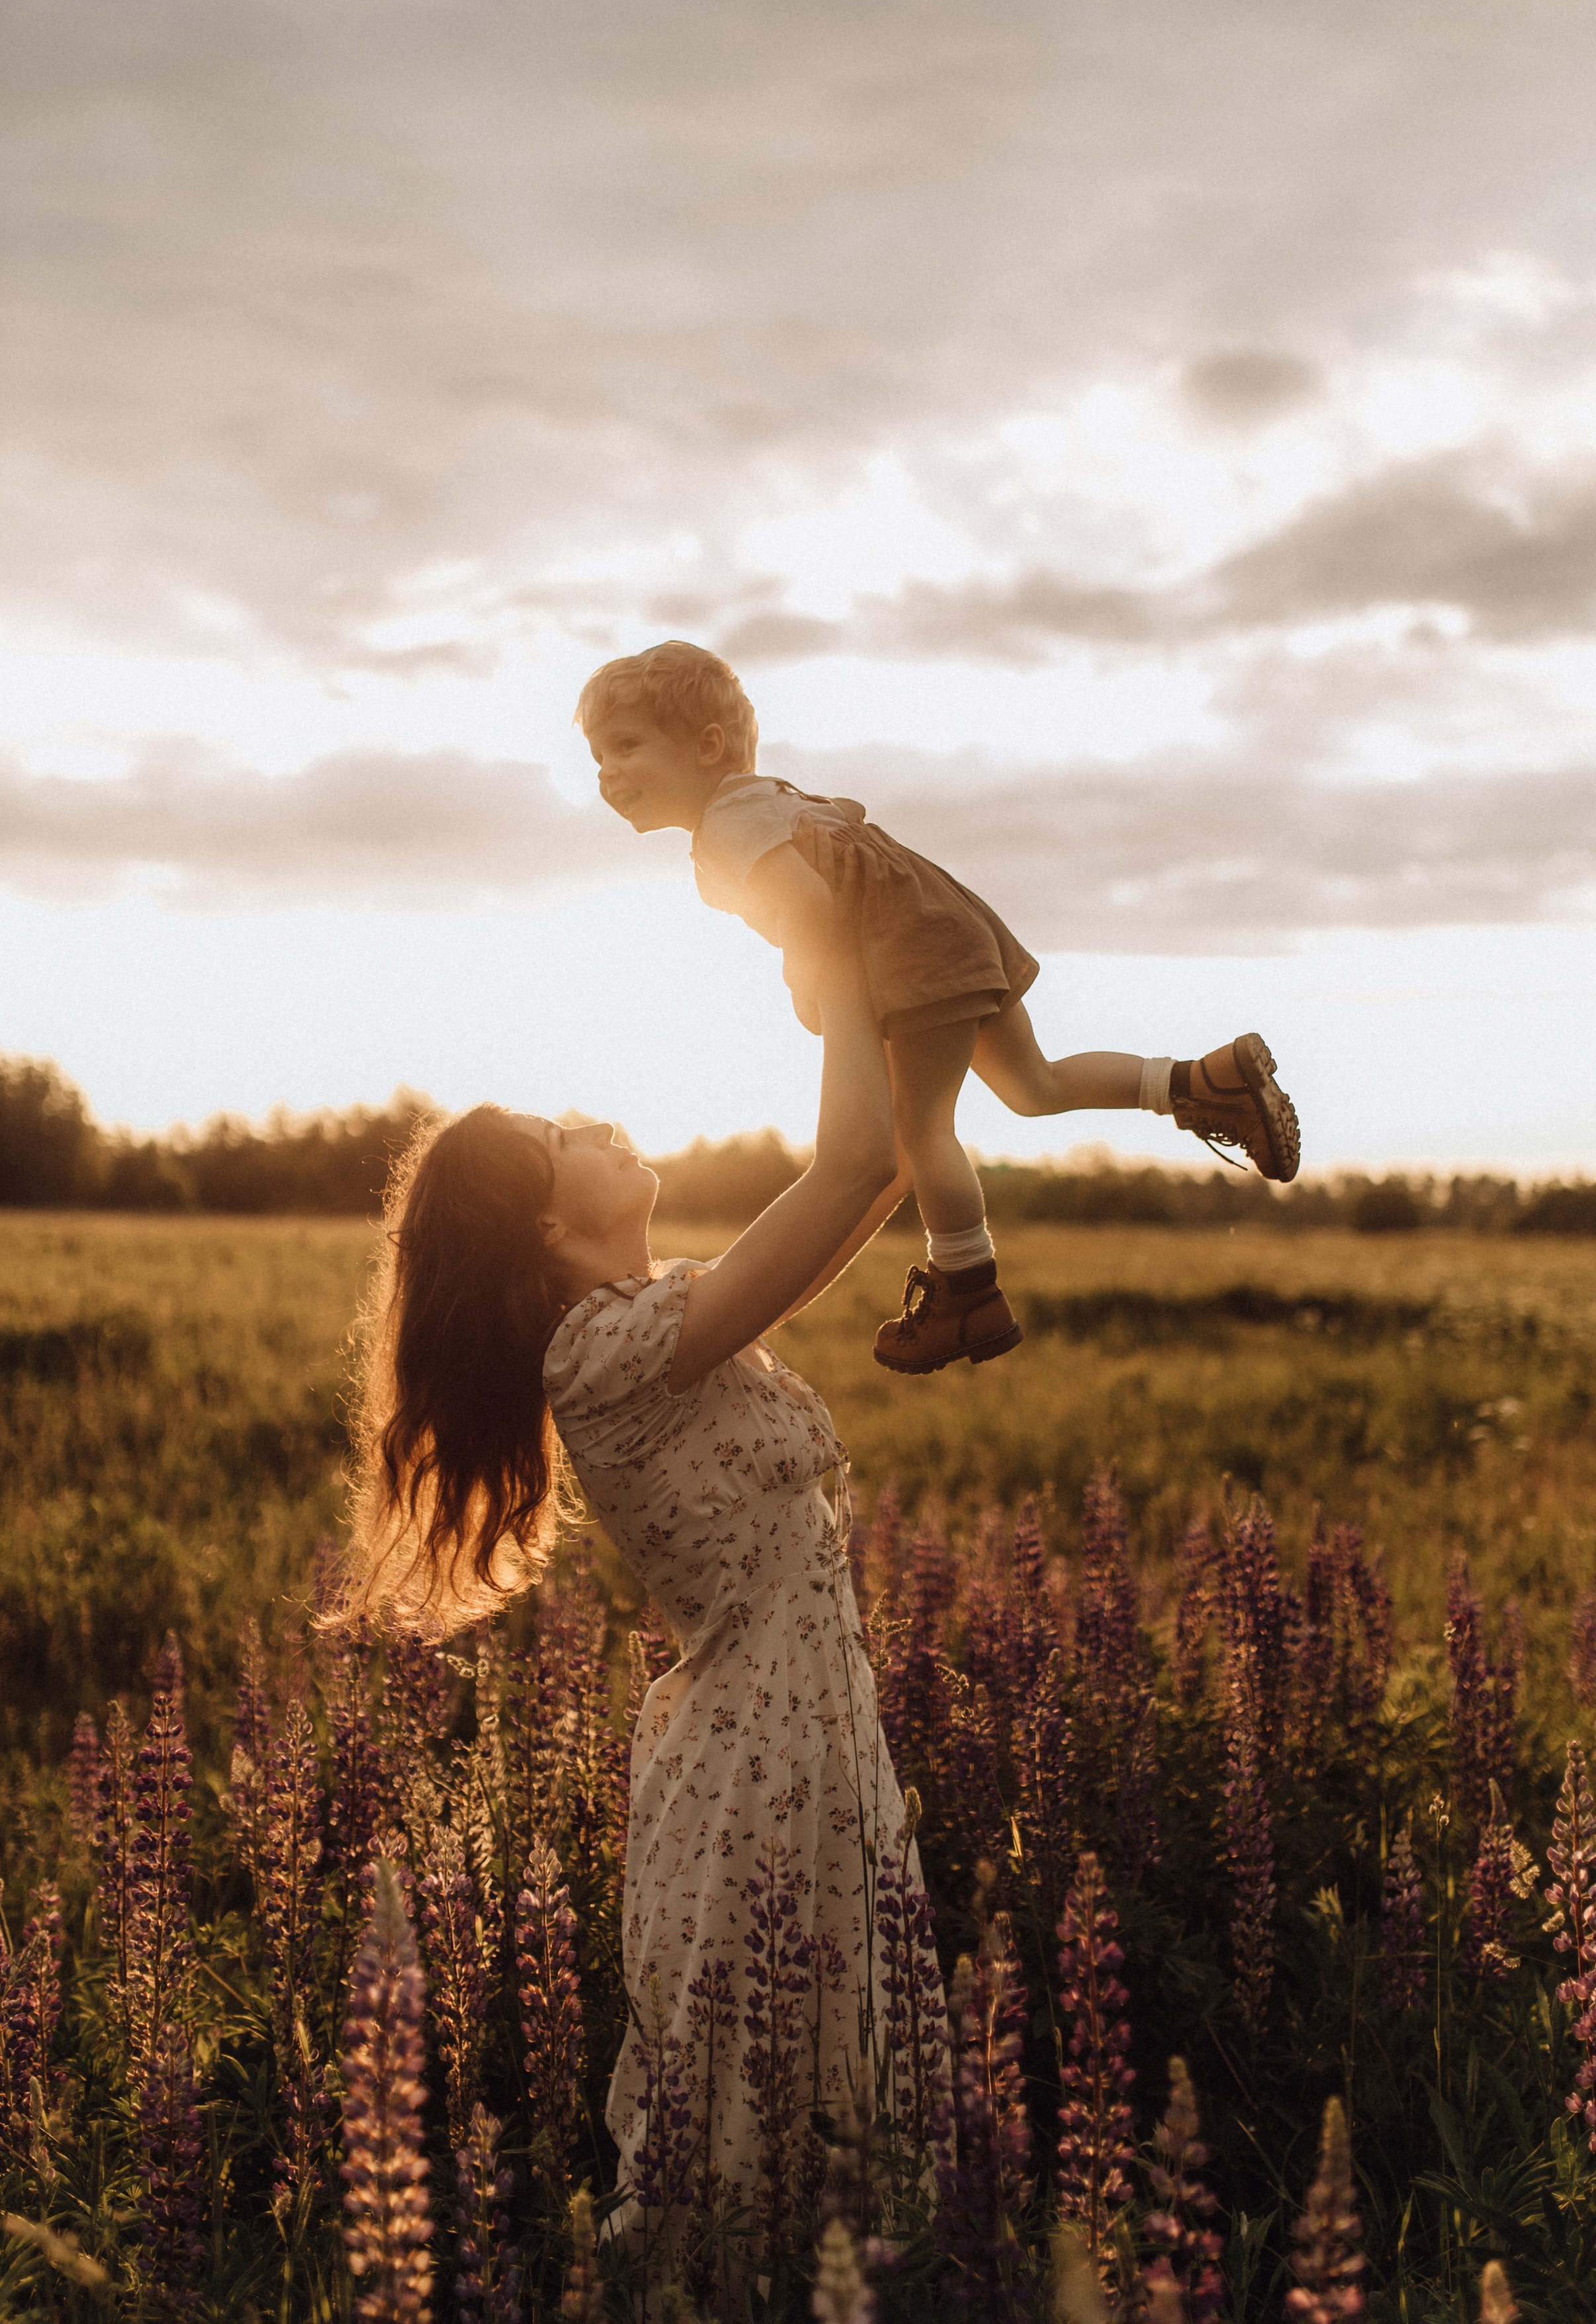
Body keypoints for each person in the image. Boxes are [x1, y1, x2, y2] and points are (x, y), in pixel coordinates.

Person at [344, 909, 934, 2268]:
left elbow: (877, 1171)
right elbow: (846, 1167)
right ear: (547, 1226)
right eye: (563, 1140)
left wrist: (914, 1014)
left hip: (803, 1721)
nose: (593, 1121)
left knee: (819, 2094)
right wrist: (838, 963)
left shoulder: (665, 1317)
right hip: (760, 1752)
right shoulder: (599, 1351)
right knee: (746, 2134)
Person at [575, 639, 1302, 1375]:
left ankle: (967, 1287)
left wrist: (807, 985)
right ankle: (1204, 1083)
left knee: (919, 1129)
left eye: (626, 747)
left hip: (911, 950)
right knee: (1032, 1086)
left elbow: (810, 907)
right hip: (948, 922)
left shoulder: (725, 827)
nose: (607, 772)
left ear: (708, 747)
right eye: (598, 756)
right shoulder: (771, 799)